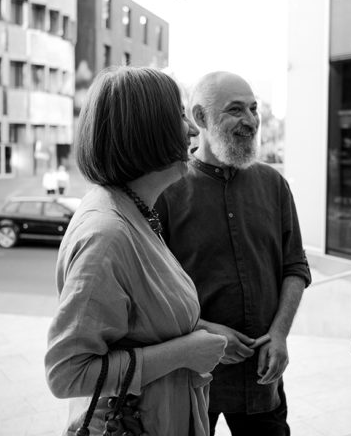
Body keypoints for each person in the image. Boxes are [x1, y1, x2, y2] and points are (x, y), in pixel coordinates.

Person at [45, 66, 227, 436]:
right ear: (146, 130)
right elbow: (67, 373)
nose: (193, 130)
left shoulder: (132, 211)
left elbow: (141, 322)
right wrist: (185, 352)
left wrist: (199, 332)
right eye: (179, 116)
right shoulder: (107, 234)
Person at [155, 71, 311, 436]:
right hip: (192, 378)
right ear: (200, 117)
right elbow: (153, 292)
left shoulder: (274, 184)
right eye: (236, 110)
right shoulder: (167, 191)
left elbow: (295, 267)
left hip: (261, 378)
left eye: (254, 109)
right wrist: (205, 332)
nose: (251, 121)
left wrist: (279, 334)